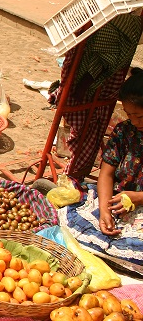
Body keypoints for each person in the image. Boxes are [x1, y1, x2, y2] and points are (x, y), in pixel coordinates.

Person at [57, 69, 143, 268]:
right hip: (117, 199)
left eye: (139, 116)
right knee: (76, 217)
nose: (135, 121)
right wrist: (104, 209)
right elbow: (106, 173)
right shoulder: (125, 131)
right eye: (130, 115)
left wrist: (138, 198)